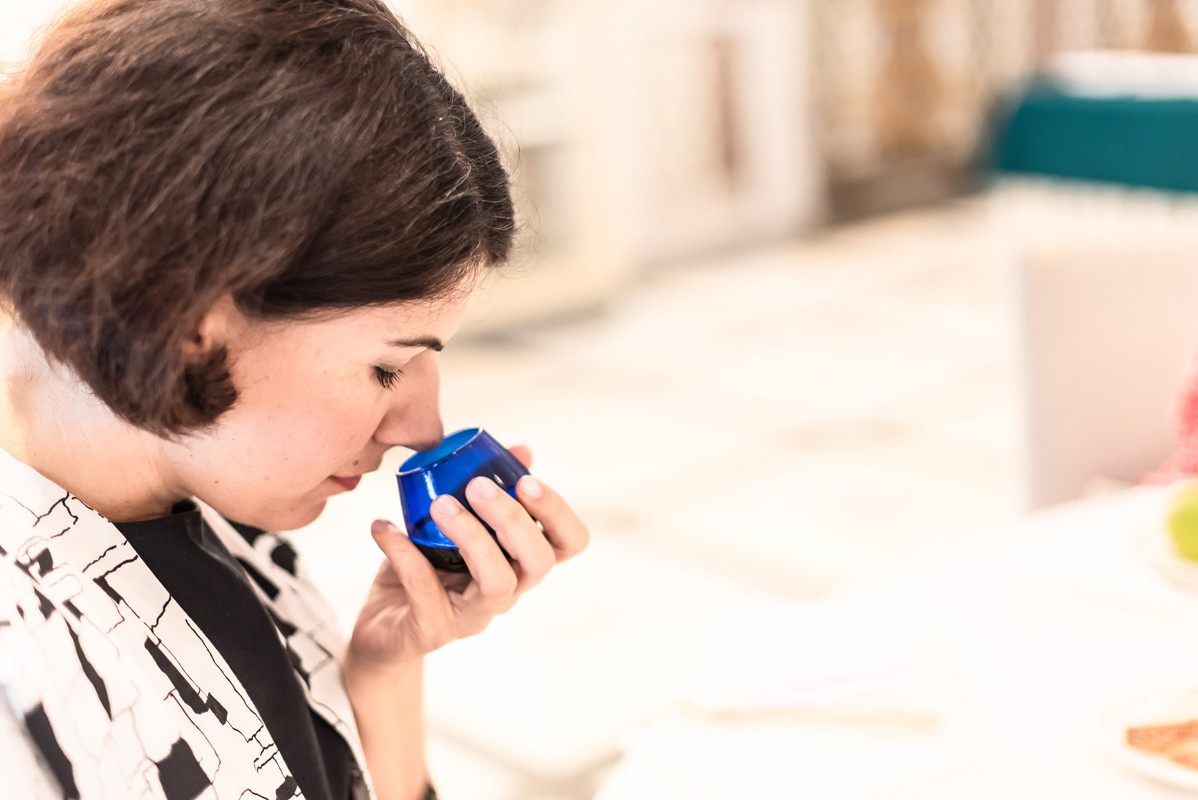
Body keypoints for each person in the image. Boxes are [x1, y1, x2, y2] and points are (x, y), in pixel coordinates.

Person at [0, 1, 589, 798]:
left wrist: (384, 667)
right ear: (190, 321)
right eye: (386, 369)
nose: (426, 431)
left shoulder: (215, 491)